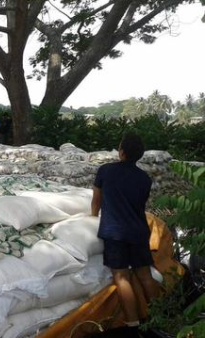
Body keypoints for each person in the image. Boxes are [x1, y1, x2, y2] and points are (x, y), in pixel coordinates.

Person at [91, 132, 162, 337]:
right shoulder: (144, 178)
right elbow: (139, 205)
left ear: (121, 152)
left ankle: (133, 325)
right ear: (139, 155)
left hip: (115, 233)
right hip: (139, 231)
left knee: (121, 277)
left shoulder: (106, 170)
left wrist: (93, 218)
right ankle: (162, 317)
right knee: (145, 275)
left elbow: (96, 201)